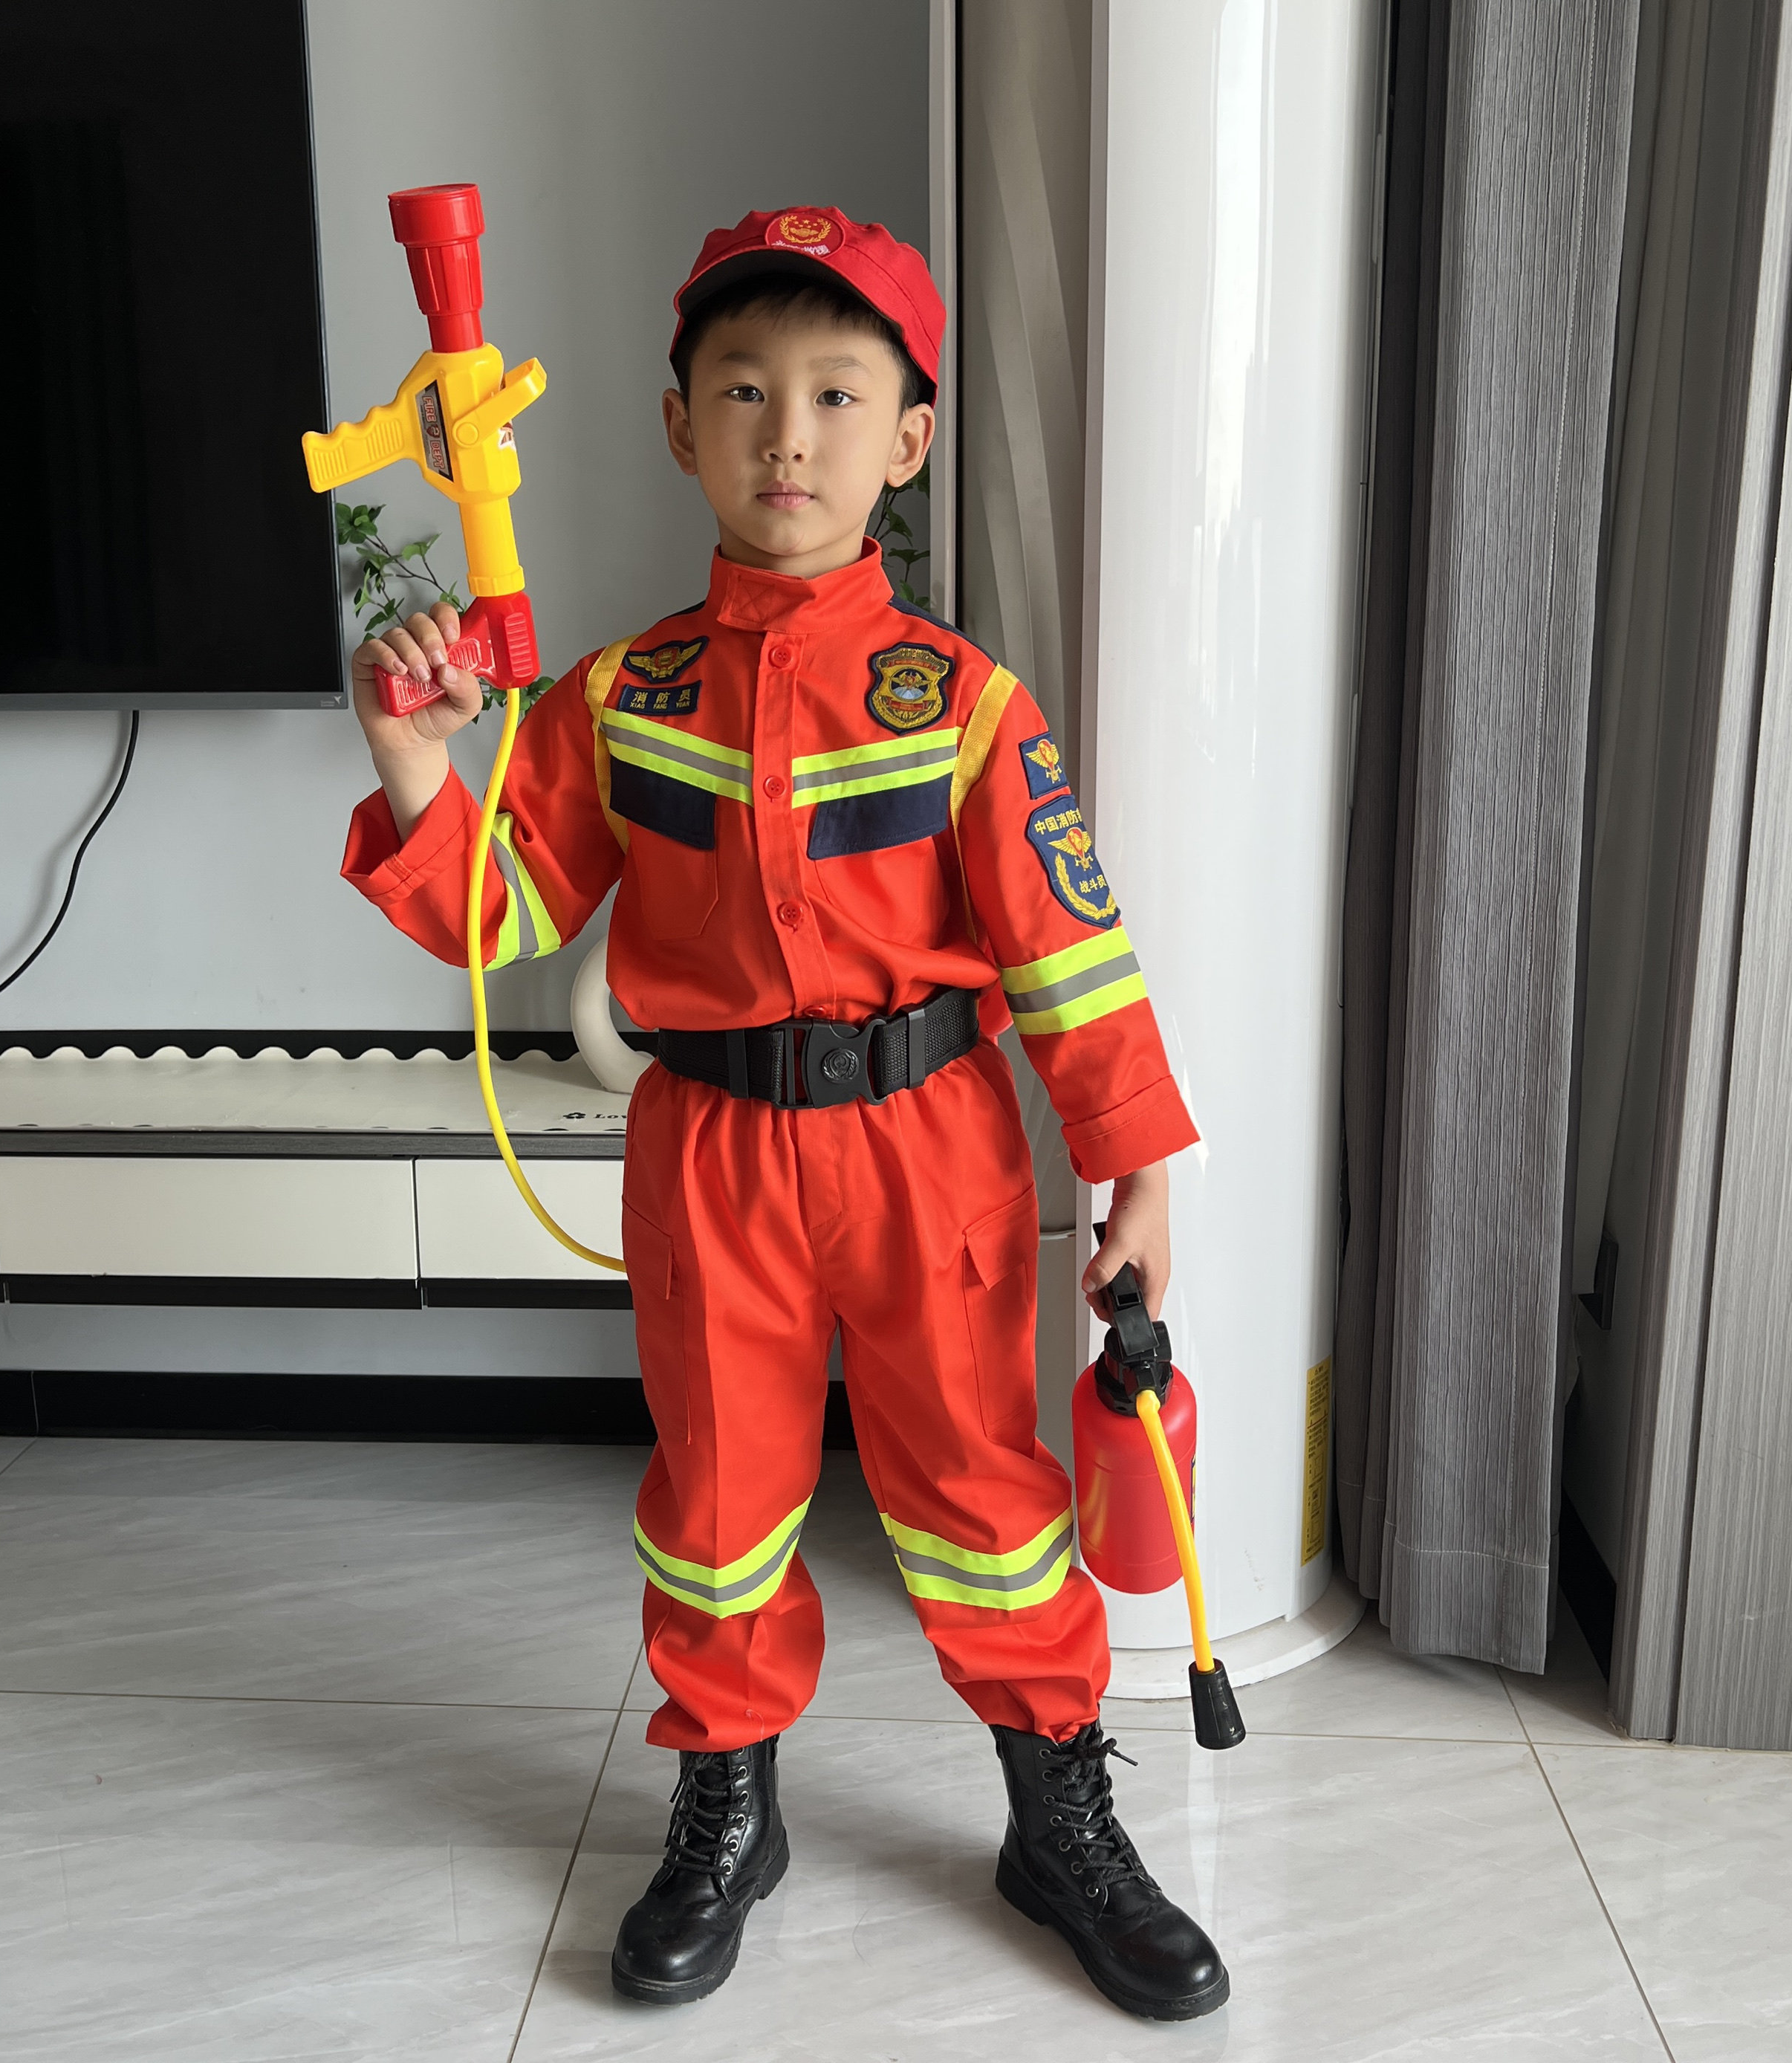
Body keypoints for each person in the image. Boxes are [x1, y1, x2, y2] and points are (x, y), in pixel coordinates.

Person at [339, 207, 1226, 2021]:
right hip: (712, 1159)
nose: (787, 435)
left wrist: (1131, 1164)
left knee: (983, 1491)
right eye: (742, 391)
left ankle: (1055, 1808)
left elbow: (1065, 951)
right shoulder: (620, 699)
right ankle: (727, 1803)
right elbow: (499, 914)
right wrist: (414, 753)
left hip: (928, 1150)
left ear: (908, 438)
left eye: (835, 393)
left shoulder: (960, 706)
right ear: (681, 427)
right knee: (719, 1496)